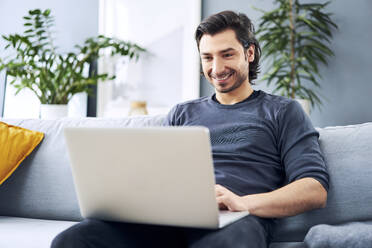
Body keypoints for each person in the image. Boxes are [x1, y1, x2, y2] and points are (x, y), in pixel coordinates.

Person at [52, 10, 328, 248]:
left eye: (227, 54)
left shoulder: (282, 111)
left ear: (250, 52)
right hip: (166, 220)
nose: (216, 68)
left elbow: (313, 189)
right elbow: (152, 176)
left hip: (238, 221)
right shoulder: (182, 113)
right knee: (75, 239)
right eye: (207, 57)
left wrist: (242, 203)